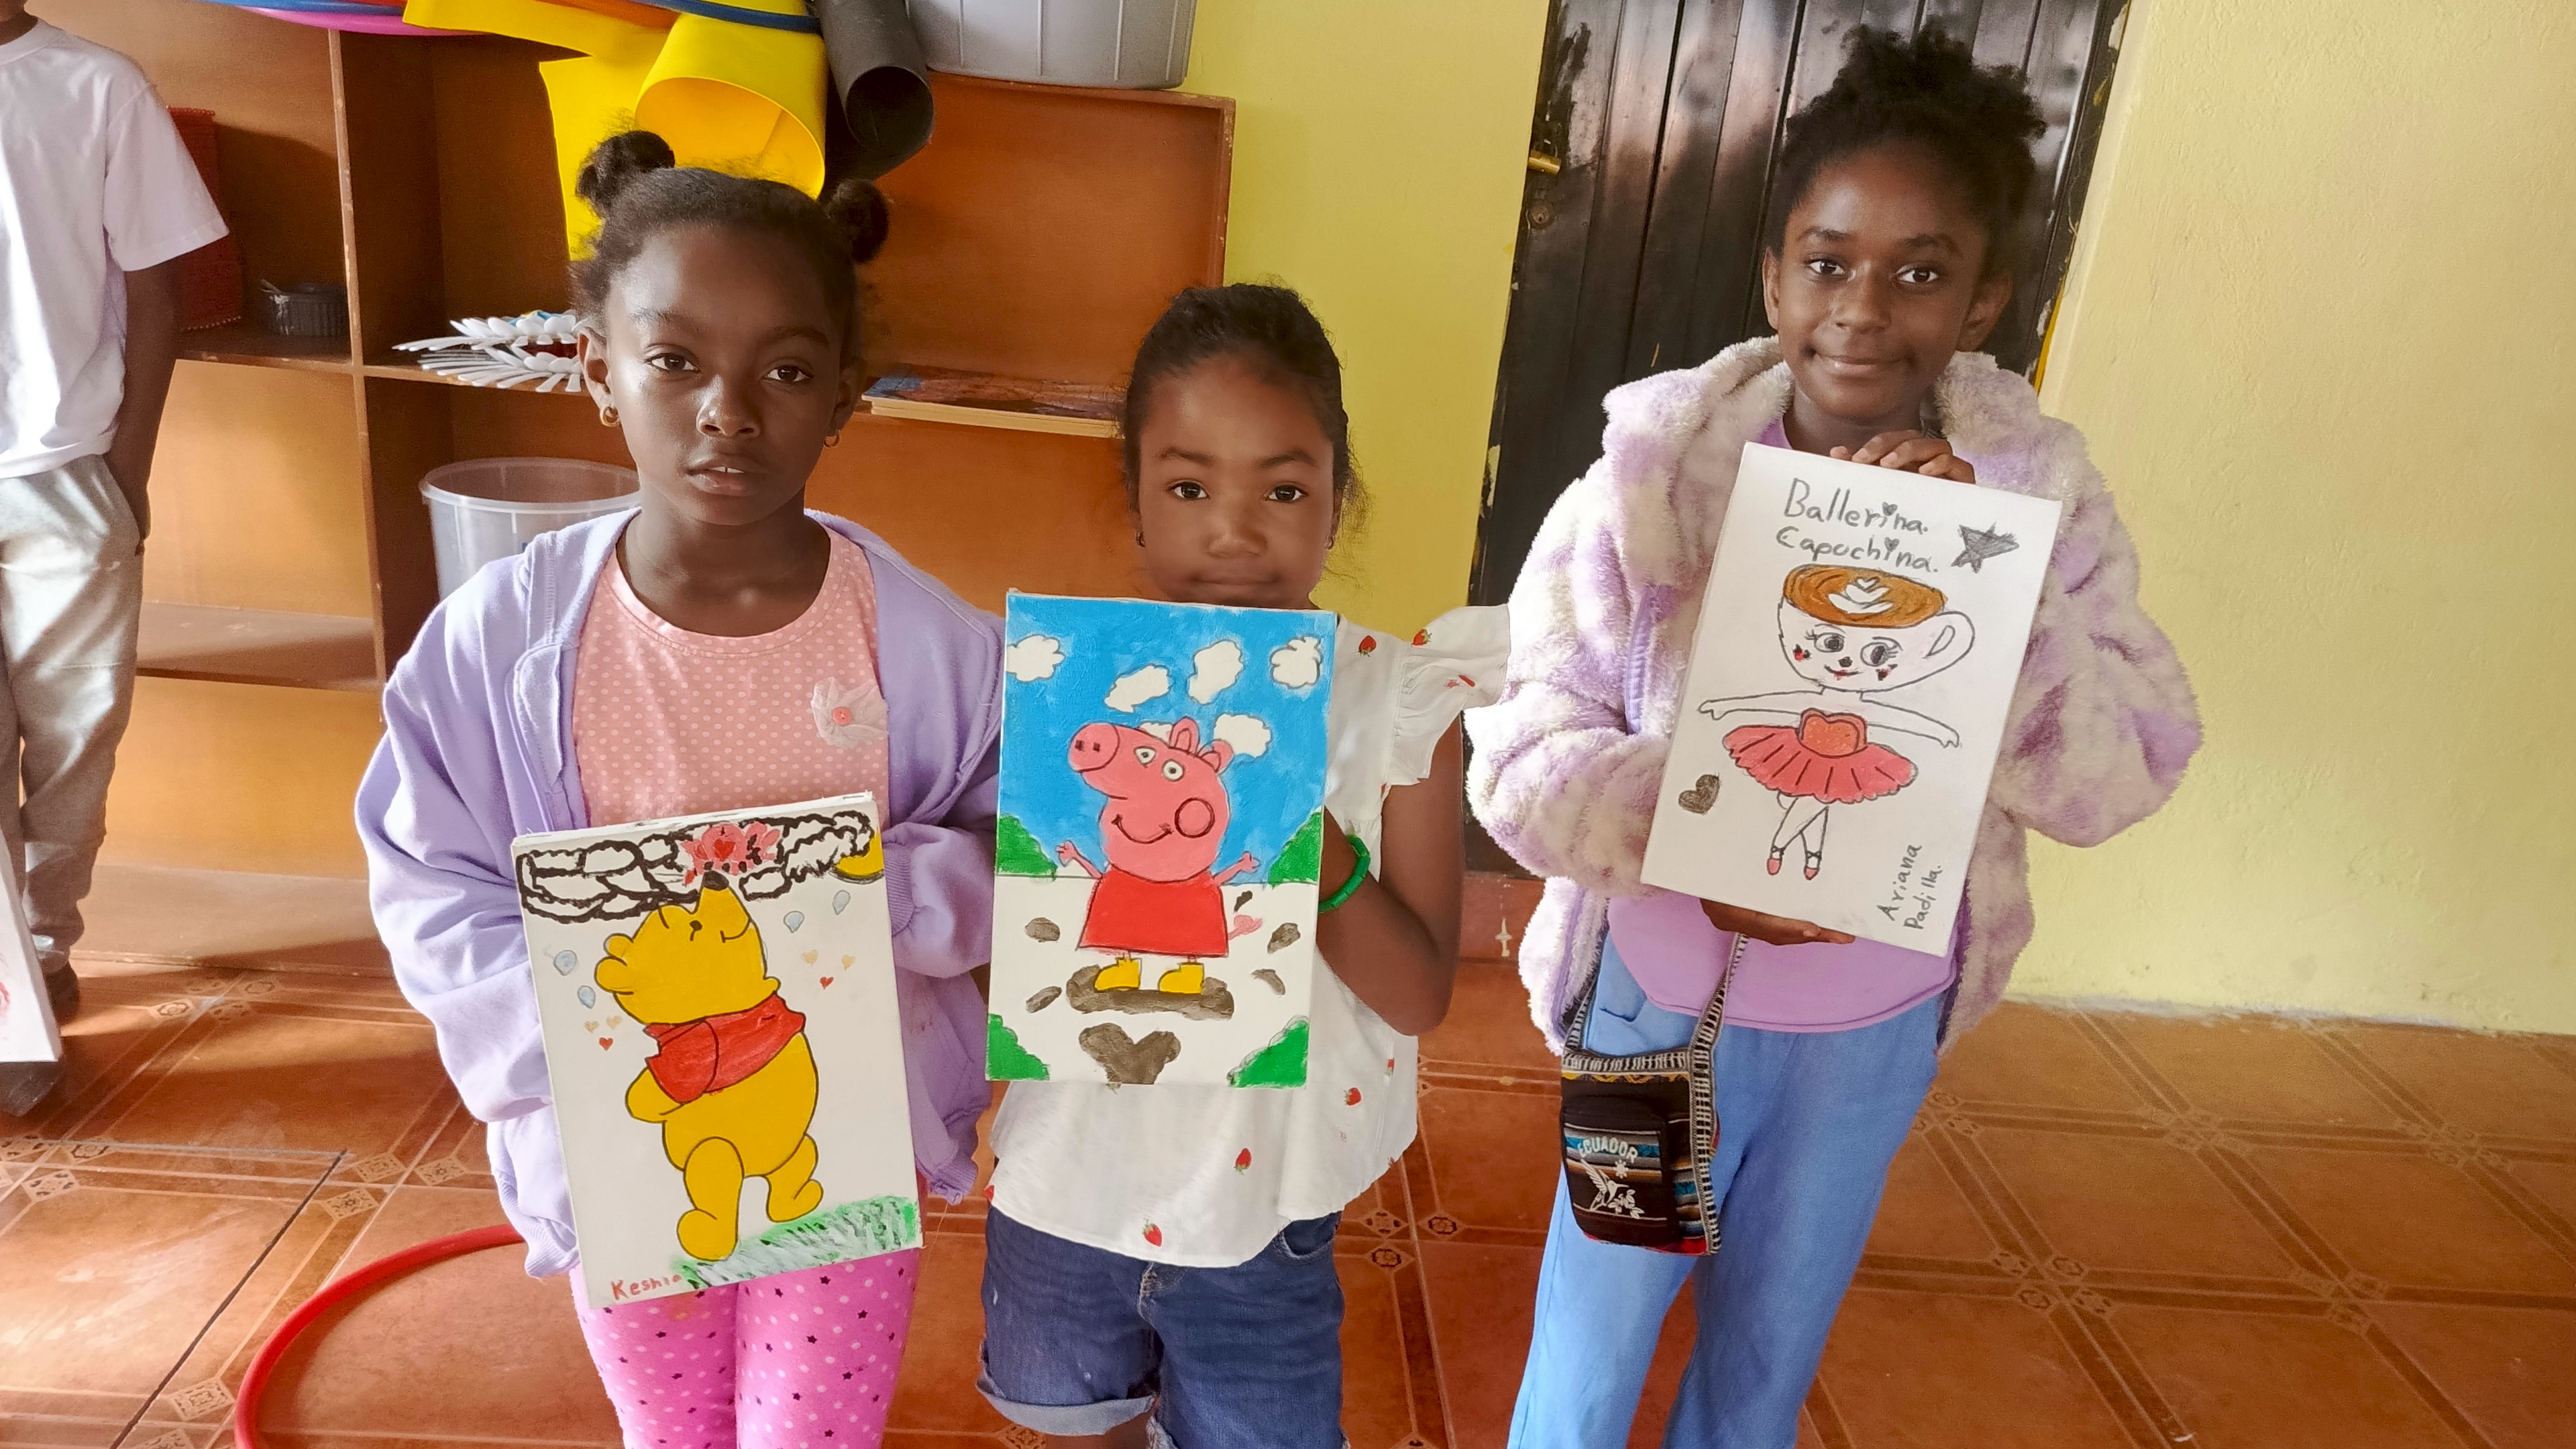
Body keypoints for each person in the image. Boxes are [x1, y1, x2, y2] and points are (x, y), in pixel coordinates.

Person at [1468, 27, 2200, 1448]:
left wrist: (1994, 587)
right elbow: (1523, 752)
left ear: (1985, 296)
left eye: (1920, 272)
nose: (1863, 310)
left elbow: (2124, 769)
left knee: (1764, 1360)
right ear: (1774, 277)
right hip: (1653, 1008)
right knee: (1588, 1353)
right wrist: (1683, 815)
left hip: (1866, 1028)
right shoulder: (1647, 486)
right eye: (1827, 261)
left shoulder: (2038, 508)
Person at [358, 131, 999, 1447]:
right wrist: (568, 1034)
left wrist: (891, 895)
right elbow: (431, 877)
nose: (729, 410)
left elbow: (1023, 841)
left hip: (842, 1140)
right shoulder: (503, 641)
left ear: (846, 393)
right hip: (624, 1148)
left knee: (807, 1433)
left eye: (788, 370)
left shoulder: (927, 643)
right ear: (599, 369)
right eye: (675, 361)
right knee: (671, 1427)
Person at [977, 284, 1506, 1448]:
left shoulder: (1396, 701)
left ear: (1336, 500)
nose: (1234, 531)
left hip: (1265, 1215)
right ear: (1134, 500)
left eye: (1283, 488)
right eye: (1188, 487)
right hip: (1065, 1185)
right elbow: (1007, 963)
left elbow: (1420, 993)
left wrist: (1299, 843)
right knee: (1073, 1425)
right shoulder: (1068, 689)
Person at [0, 0, 225, 1107]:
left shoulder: (97, 85)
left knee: (75, 738)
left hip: (65, 474)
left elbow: (156, 286)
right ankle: (6, 995)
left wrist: (126, 473)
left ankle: (43, 953)